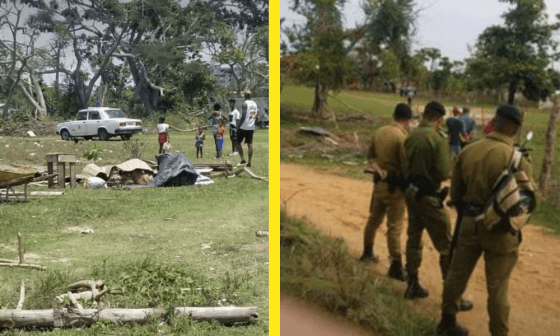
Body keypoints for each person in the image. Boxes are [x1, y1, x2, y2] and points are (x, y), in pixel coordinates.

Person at [437, 105, 538, 336]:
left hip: (469, 222)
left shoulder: (469, 150)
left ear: (495, 122)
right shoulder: (516, 158)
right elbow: (532, 199)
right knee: (497, 287)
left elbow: (456, 193)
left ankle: (447, 322)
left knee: (457, 274)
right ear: (514, 129)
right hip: (500, 229)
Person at [402, 101, 473, 312]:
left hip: (411, 192)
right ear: (439, 118)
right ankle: (453, 297)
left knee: (413, 237)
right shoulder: (436, 139)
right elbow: (445, 172)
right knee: (446, 245)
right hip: (429, 196)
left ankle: (412, 283)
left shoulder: (411, 135)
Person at [358, 103, 412, 282]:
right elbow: (405, 165)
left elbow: (370, 157)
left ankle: (367, 252)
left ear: (394, 115)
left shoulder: (380, 132)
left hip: (379, 185)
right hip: (395, 188)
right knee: (394, 228)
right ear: (408, 120)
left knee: (374, 219)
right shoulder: (402, 137)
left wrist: (379, 170)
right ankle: (396, 265)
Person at [236, 89, 259, 167]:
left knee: (237, 142)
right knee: (250, 144)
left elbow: (243, 116)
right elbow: (256, 116)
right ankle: (249, 162)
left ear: (245, 96)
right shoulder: (254, 104)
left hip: (243, 126)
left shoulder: (245, 103)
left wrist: (238, 125)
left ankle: (242, 159)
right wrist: (252, 123)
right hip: (251, 127)